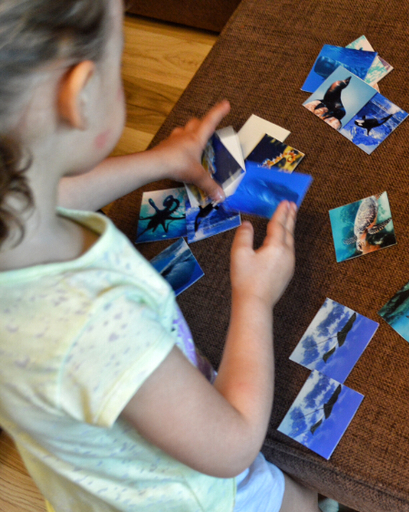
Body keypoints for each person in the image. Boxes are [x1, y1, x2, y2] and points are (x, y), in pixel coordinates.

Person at [0, 0, 321, 510]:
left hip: (91, 484)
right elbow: (233, 445)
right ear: (80, 95)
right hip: (188, 495)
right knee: (301, 497)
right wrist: (255, 298)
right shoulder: (97, 322)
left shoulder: (13, 212)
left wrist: (157, 161)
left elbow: (52, 197)